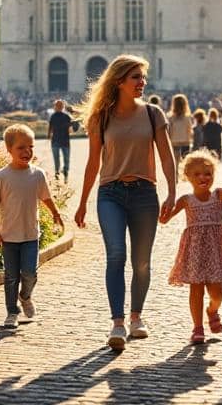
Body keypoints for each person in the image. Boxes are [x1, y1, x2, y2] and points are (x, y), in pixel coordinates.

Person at [73, 55, 178, 351]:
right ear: (119, 81)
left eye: (143, 77)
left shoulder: (154, 114)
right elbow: (93, 163)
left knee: (141, 262)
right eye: (136, 77)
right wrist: (82, 202)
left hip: (145, 194)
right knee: (116, 254)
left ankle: (136, 317)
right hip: (111, 194)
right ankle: (117, 323)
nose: (142, 82)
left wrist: (172, 192)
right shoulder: (100, 117)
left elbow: (167, 156)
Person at [161, 150, 222, 344]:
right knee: (196, 289)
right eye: (197, 174)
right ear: (187, 176)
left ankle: (212, 310)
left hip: (215, 252)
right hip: (194, 252)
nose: (203, 177)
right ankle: (197, 327)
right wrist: (162, 215)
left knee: (218, 293)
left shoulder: (218, 195)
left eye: (207, 173)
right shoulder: (186, 200)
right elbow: (166, 218)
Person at [0, 124, 63, 329]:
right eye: (21, 147)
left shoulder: (37, 175)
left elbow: (45, 197)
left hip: (30, 235)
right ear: (9, 149)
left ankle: (25, 296)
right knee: (11, 277)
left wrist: (55, 213)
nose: (27, 151)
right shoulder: (1, 177)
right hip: (8, 237)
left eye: (31, 147)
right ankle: (12, 312)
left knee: (30, 273)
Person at [47, 99, 73, 182]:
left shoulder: (54, 116)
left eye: (59, 105)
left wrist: (49, 137)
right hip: (63, 141)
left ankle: (60, 172)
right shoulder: (66, 116)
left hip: (58, 141)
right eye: (57, 105)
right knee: (65, 159)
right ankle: (61, 172)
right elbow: (71, 130)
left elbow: (50, 129)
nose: (58, 107)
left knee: (59, 158)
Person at [166, 94, 192, 163]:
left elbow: (169, 131)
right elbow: (189, 131)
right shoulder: (187, 118)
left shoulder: (170, 118)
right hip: (185, 143)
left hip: (174, 143)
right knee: (185, 164)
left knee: (174, 164)